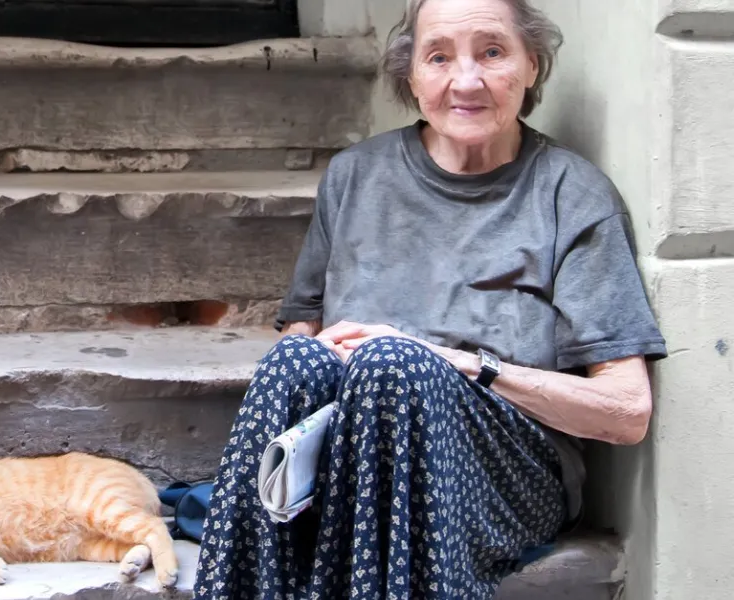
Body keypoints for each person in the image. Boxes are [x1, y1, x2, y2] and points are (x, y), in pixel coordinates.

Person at [193, 0, 667, 598]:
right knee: (295, 363)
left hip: (505, 470)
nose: (465, 81)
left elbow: (626, 412)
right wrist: (322, 361)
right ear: (411, 77)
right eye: (438, 57)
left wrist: (454, 363)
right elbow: (301, 330)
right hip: (354, 455)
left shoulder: (571, 194)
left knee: (394, 365)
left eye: (491, 52)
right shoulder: (355, 176)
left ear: (531, 66)